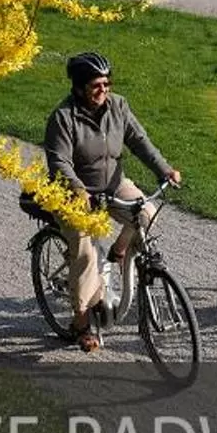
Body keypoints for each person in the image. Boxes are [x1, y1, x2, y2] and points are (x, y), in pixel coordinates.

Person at [42, 51, 182, 353]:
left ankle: (119, 252)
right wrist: (78, 190)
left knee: (147, 213)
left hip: (114, 185)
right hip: (74, 196)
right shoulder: (63, 118)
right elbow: (59, 162)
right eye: (96, 85)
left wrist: (165, 170)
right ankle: (82, 323)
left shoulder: (118, 106)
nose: (103, 90)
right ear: (79, 87)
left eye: (106, 83)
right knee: (86, 255)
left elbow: (140, 141)